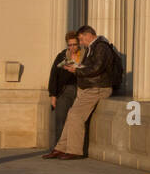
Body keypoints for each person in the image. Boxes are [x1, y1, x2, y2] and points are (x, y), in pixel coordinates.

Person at [42, 25, 119, 160]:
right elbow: (92, 67)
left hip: (97, 88)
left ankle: (74, 150)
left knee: (75, 115)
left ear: (88, 35)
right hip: (89, 87)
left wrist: (76, 70)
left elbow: (96, 68)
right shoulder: (93, 48)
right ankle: (60, 148)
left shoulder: (101, 47)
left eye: (81, 39)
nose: (81, 43)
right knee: (72, 115)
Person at [46, 31, 83, 154]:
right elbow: (54, 75)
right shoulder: (62, 56)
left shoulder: (85, 56)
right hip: (65, 90)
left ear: (79, 44)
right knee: (60, 119)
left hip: (80, 90)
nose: (72, 47)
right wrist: (53, 95)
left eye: (74, 44)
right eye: (70, 45)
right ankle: (57, 148)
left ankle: (71, 148)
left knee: (75, 121)